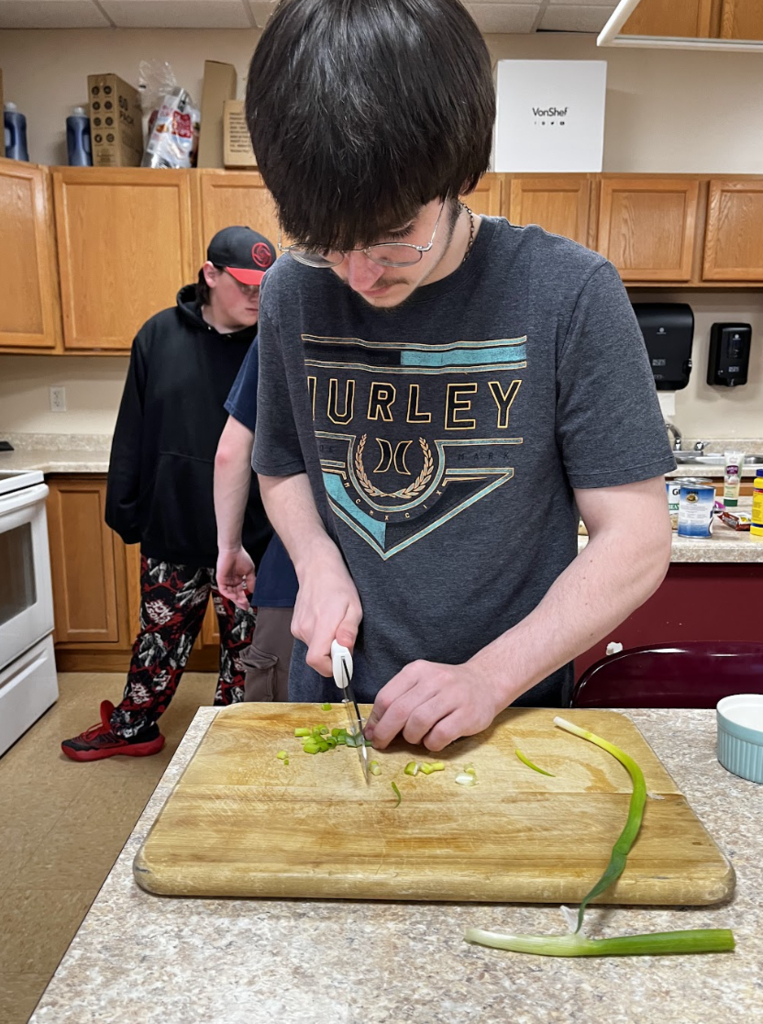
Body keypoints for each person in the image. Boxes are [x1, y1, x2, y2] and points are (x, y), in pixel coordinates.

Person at [238, 0, 674, 753]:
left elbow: (634, 537)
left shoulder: (568, 292)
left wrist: (486, 677)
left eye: (391, 236)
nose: (359, 274)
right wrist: (316, 563)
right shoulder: (290, 292)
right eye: (325, 244)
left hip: (507, 715)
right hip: (336, 701)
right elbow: (279, 466)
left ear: (460, 173)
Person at [61, 226, 276, 761]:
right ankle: (135, 727)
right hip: (173, 526)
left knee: (246, 651)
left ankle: (232, 738)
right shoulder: (158, 336)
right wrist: (127, 510)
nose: (256, 296)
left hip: (252, 535)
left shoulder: (272, 344)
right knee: (159, 639)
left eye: (264, 286)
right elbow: (133, 429)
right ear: (210, 275)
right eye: (245, 284)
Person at [214, 344, 299, 701]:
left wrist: (230, 547)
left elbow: (230, 451)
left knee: (281, 731)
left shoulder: (288, 312)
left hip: (293, 576)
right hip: (419, 589)